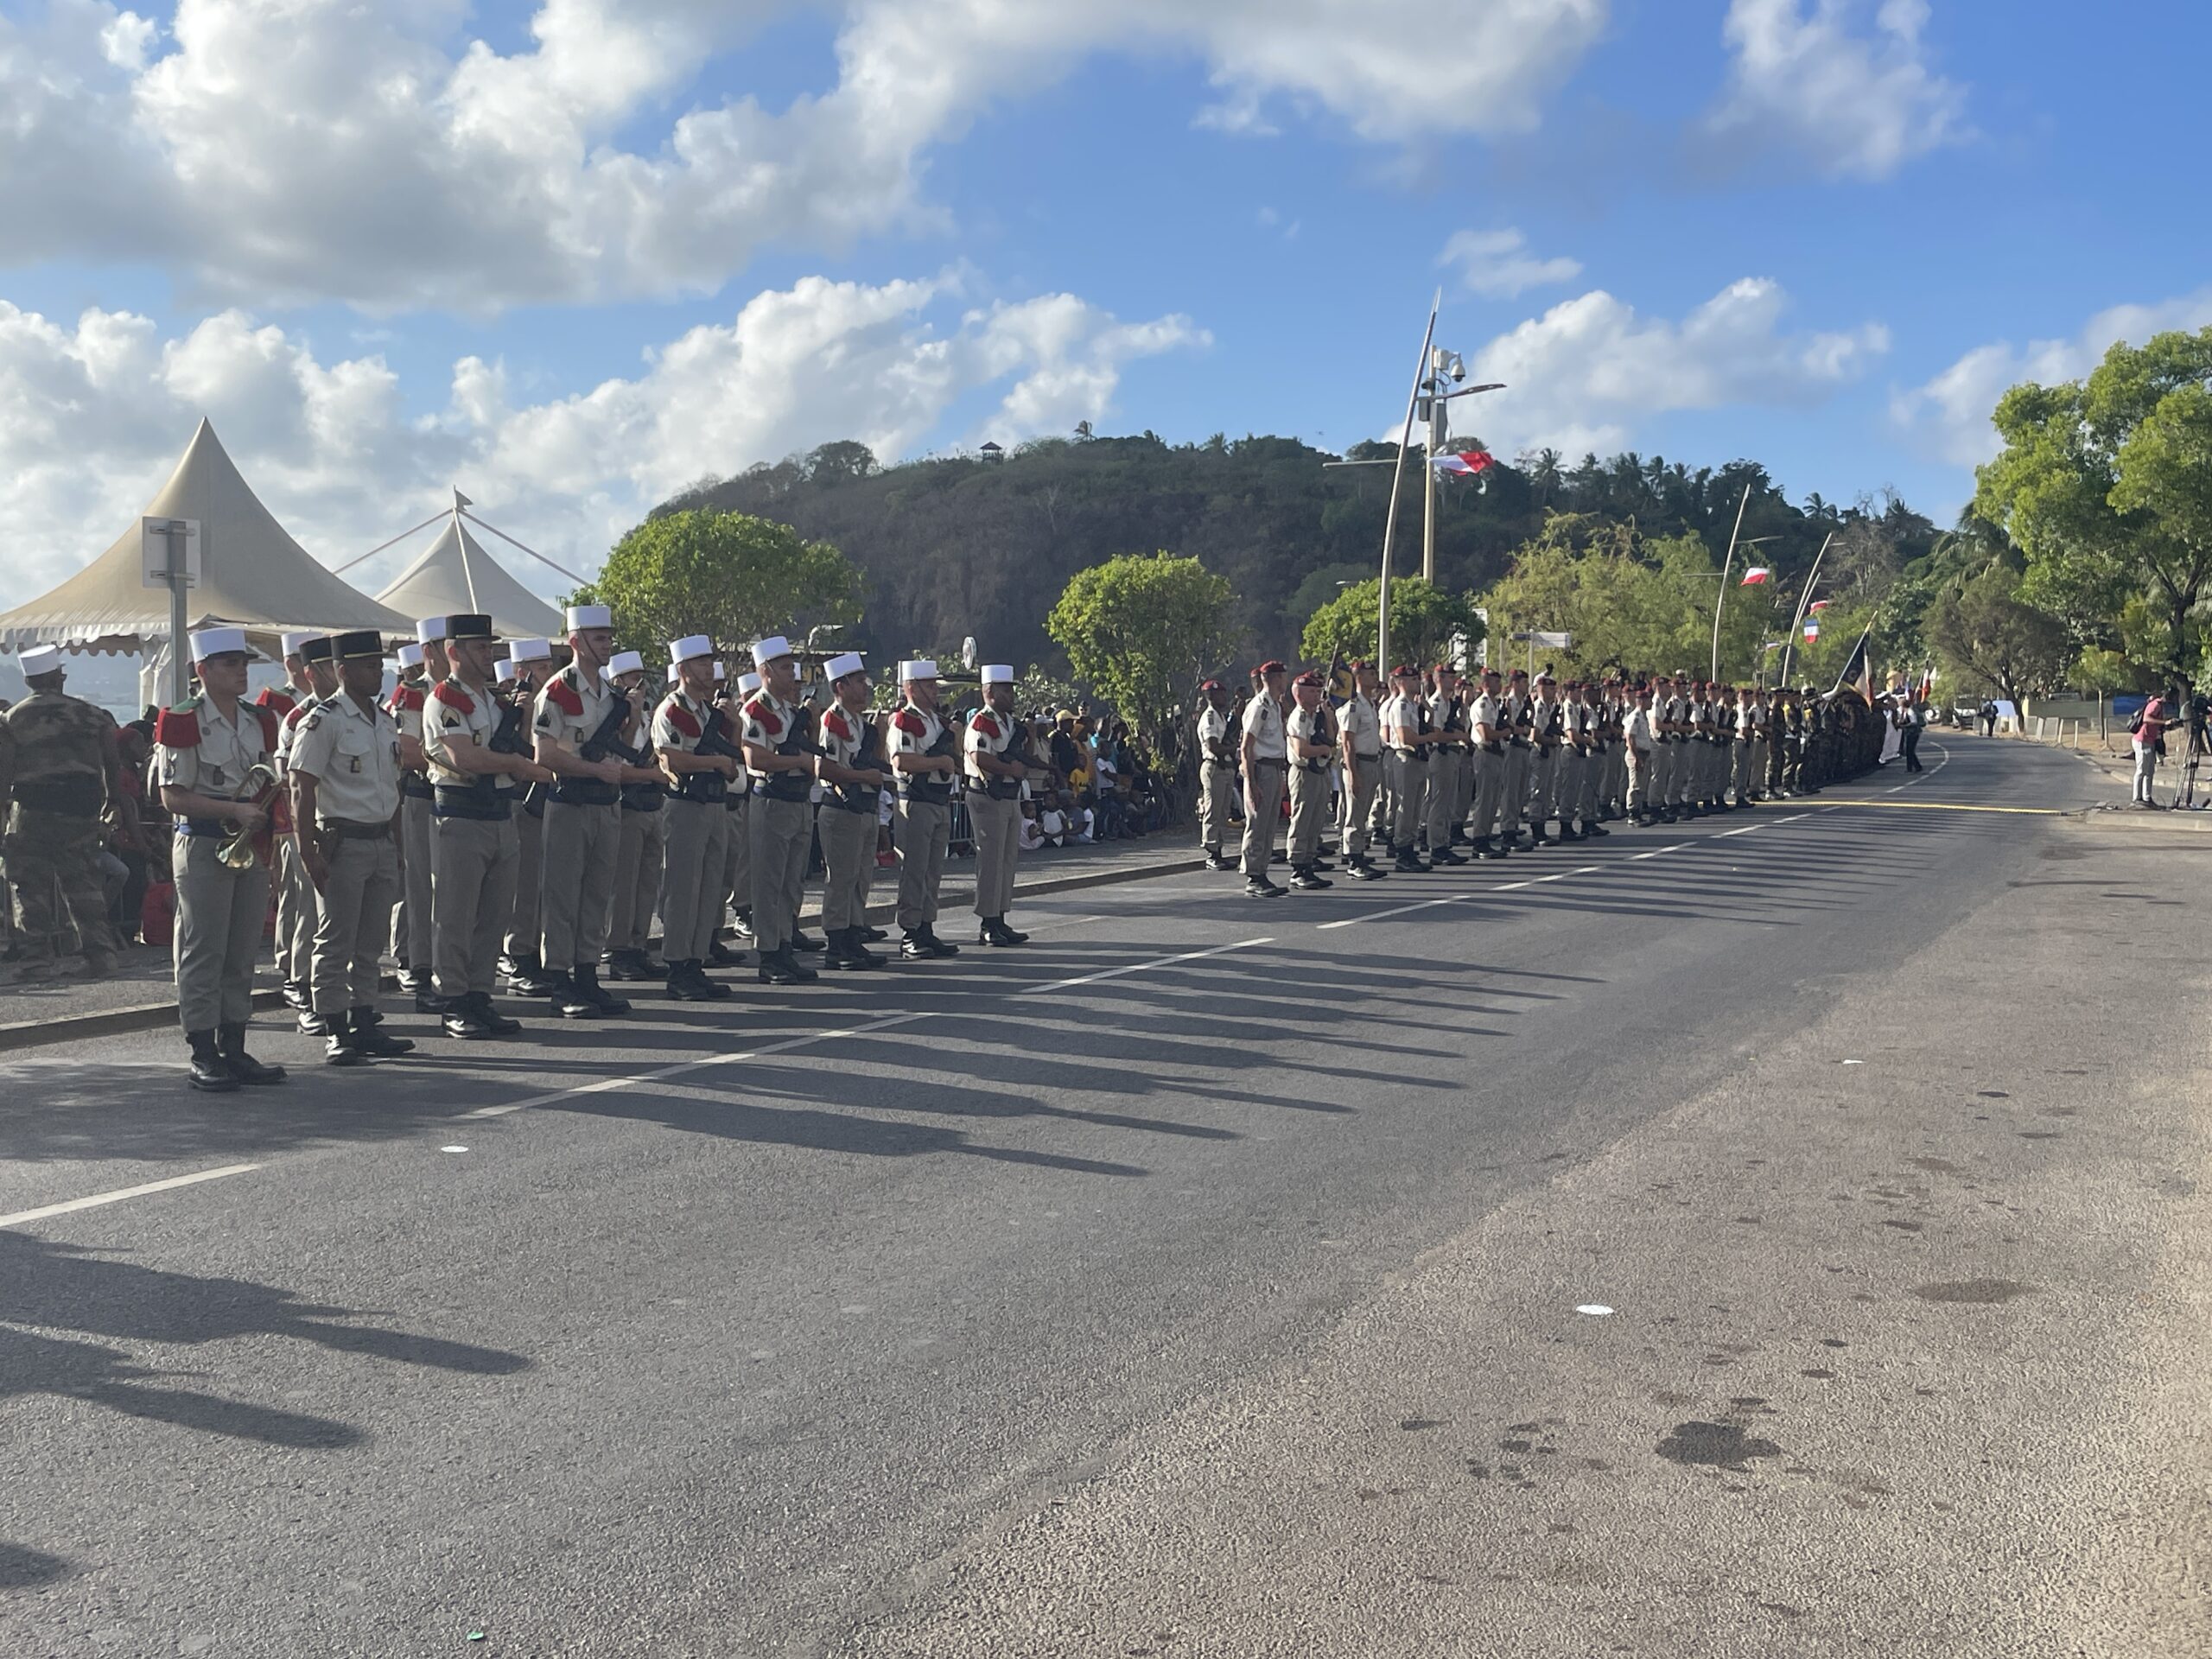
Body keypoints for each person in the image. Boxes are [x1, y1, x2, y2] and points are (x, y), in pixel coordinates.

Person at [154, 626, 286, 1092]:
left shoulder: (259, 719)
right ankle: (203, 1050)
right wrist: (234, 810)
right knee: (204, 948)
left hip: (247, 841)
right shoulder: (183, 720)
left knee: (242, 948)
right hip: (206, 841)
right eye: (230, 664)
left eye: (244, 663)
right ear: (203, 670)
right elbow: (172, 796)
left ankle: (234, 1044)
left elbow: (267, 775)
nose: (241, 671)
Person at [288, 631, 415, 1066]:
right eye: (367, 666)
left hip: (379, 839)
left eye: (379, 665)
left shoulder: (383, 720)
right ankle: (334, 1027)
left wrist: (397, 844)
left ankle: (364, 1018)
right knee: (335, 938)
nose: (377, 672)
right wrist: (308, 851)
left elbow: (392, 787)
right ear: (342, 671)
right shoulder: (325, 720)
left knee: (371, 940)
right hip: (344, 840)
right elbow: (302, 787)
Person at [427, 614, 553, 1039]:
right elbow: (465, 758)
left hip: (499, 812)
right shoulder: (445, 699)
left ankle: (481, 994)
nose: (488, 654)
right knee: (456, 915)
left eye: (489, 647)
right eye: (480, 648)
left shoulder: (496, 702)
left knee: (495, 914)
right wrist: (517, 764)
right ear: (453, 653)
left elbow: (525, 746)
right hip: (462, 813)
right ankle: (453, 1000)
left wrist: (524, 723)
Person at [533, 605, 637, 1020]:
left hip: (605, 804)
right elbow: (544, 754)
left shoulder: (612, 695)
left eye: (609, 637)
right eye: (598, 638)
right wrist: (596, 768)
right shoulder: (558, 691)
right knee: (563, 895)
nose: (607, 644)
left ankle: (588, 974)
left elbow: (626, 741)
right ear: (575, 642)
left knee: (597, 895)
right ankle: (559, 979)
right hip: (571, 802)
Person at [1, 643, 125, 976]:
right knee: (83, 881)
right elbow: (113, 765)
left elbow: (4, 773)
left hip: (32, 810)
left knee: (29, 885)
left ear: (29, 682)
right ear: (60, 677)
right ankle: (101, 956)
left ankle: (36, 959)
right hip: (82, 807)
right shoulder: (92, 714)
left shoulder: (13, 719)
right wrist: (113, 801)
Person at [652, 637, 737, 1000]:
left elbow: (733, 757)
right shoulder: (672, 710)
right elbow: (672, 760)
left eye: (710, 662)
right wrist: (715, 763)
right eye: (702, 663)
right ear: (683, 670)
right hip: (686, 803)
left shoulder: (707, 712)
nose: (710, 669)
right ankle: (677, 965)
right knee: (683, 888)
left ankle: (696, 961)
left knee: (710, 888)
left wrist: (733, 726)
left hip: (714, 804)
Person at [276, 638, 340, 1028]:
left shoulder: (358, 714)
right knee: (307, 910)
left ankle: (338, 993)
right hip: (308, 824)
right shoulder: (300, 717)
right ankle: (302, 984)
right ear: (310, 672)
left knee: (337, 915)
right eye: (331, 667)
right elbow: (292, 782)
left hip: (348, 825)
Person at [815, 651, 893, 967]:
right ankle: (836, 944)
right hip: (841, 807)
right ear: (841, 686)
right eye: (859, 682)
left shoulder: (859, 724)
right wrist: (863, 776)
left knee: (860, 877)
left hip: (861, 809)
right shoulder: (832, 720)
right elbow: (825, 768)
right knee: (841, 878)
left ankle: (852, 934)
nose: (865, 687)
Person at [600, 649, 669, 982]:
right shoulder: (613, 719)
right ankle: (618, 949)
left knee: (647, 883)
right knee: (624, 885)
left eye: (642, 679)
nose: (639, 685)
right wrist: (652, 776)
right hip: (628, 805)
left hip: (651, 806)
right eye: (632, 679)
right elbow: (615, 768)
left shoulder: (647, 717)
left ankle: (638, 946)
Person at [887, 658, 961, 959]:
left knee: (933, 871)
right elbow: (901, 761)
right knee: (915, 870)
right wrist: (939, 763)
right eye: (929, 686)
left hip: (939, 800)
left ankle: (927, 927)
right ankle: (910, 932)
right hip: (916, 800)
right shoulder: (905, 721)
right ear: (911, 688)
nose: (936, 691)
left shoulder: (935, 721)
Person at [260, 632, 319, 1010]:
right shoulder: (277, 704)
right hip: (286, 809)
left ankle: (300, 963)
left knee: (306, 894)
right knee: (295, 894)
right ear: (292, 665)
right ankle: (292, 965)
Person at [392, 620, 449, 1003]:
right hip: (423, 795)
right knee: (422, 885)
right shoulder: (412, 693)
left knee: (451, 888)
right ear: (429, 651)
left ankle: (447, 967)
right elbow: (407, 750)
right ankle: (420, 965)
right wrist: (454, 759)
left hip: (457, 799)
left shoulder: (464, 694)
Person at [500, 637, 556, 995]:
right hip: (522, 803)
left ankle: (538, 953)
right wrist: (522, 717)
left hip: (550, 801)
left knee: (544, 884)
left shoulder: (552, 705)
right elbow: (519, 755)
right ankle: (519, 957)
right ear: (522, 673)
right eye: (541, 668)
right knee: (524, 886)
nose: (548, 674)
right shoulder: (509, 710)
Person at [966, 664, 1033, 945]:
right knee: (991, 861)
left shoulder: (1010, 724)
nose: (1011, 695)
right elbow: (978, 757)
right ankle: (988, 922)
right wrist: (1010, 770)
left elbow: (1023, 758)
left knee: (1007, 861)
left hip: (1008, 796)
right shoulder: (983, 722)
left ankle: (1001, 917)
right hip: (988, 796)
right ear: (990, 692)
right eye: (1006, 690)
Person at [1239, 660, 1291, 898]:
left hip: (1273, 767)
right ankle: (1253, 874)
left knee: (1270, 824)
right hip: (1260, 769)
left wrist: (1280, 776)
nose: (1285, 681)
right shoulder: (1259, 706)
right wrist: (1250, 783)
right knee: (1258, 823)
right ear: (1273, 678)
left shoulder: (1275, 706)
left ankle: (1262, 870)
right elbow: (1247, 747)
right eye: (1282, 676)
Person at [1283, 670, 1335, 890]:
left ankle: (1309, 861)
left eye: (1318, 691)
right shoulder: (1299, 716)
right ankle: (1298, 866)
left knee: (1316, 820)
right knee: (1303, 820)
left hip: (1319, 772)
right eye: (1312, 691)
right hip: (1304, 772)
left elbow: (1331, 741)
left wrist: (1329, 719)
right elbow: (1301, 749)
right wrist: (1322, 749)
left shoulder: (1315, 716)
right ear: (1300, 695)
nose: (1317, 695)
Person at [1380, 664, 1432, 874]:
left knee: (1415, 808)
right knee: (1406, 807)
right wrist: (1431, 737)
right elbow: (1405, 737)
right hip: (1405, 758)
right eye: (1411, 680)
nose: (1416, 682)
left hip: (1417, 759)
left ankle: (1409, 850)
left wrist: (1430, 712)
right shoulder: (1401, 706)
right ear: (1400, 683)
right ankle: (1402, 851)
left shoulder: (1412, 705)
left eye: (1416, 679)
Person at [1335, 662, 1385, 879]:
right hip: (1359, 762)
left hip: (1372, 761)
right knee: (1354, 813)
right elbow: (1347, 743)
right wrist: (1353, 773)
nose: (1375, 677)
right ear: (1358, 677)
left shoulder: (1369, 704)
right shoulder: (1352, 705)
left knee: (1362, 811)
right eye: (1370, 674)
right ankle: (1353, 859)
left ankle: (1358, 852)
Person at [1194, 680, 1238, 870]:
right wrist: (1233, 747)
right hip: (1214, 766)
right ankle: (1212, 851)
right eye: (1220, 694)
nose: (1224, 697)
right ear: (1210, 696)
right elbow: (1214, 746)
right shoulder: (1210, 717)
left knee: (1223, 812)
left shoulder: (1221, 716)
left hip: (1225, 767)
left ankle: (1219, 849)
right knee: (1213, 810)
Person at [2132, 693, 2173, 807]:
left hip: (2149, 741)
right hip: (2142, 740)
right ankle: (2136, 798)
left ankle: (2147, 797)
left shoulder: (2159, 706)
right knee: (2141, 770)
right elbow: (2147, 718)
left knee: (2150, 771)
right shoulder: (2156, 705)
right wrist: (2164, 722)